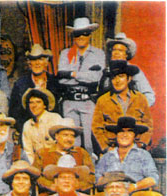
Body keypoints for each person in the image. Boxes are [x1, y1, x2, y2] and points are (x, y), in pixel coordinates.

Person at [95, 116, 163, 196]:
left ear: (135, 135)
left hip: (134, 193)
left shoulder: (143, 155)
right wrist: (111, 184)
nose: (124, 135)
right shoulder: (107, 156)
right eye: (121, 131)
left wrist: (134, 186)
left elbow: (153, 178)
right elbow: (97, 179)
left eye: (129, 131)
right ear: (116, 135)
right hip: (111, 193)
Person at [57, 17, 105, 154]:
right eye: (77, 34)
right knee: (71, 139)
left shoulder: (98, 54)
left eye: (85, 33)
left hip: (87, 100)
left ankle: (91, 170)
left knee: (90, 139)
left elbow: (96, 78)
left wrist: (72, 74)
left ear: (90, 34)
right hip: (69, 100)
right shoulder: (65, 53)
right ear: (73, 36)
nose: (81, 37)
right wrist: (85, 74)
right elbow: (61, 78)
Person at [92, 60, 152, 155]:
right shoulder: (103, 100)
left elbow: (148, 125)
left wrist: (142, 144)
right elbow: (96, 127)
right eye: (113, 77)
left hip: (136, 147)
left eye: (121, 76)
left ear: (129, 78)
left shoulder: (141, 98)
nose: (117, 81)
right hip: (112, 147)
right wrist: (106, 148)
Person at [9, 44, 62, 136]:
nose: (37, 63)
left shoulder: (55, 82)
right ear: (29, 63)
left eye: (40, 59)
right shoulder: (20, 84)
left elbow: (59, 110)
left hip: (52, 132)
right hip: (29, 131)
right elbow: (14, 112)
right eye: (34, 59)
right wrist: (25, 130)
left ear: (46, 62)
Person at [33, 118, 95, 196]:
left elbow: (91, 176)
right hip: (49, 195)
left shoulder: (81, 152)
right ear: (56, 136)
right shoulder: (42, 153)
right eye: (65, 135)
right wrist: (51, 185)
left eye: (72, 136)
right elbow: (35, 176)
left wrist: (78, 185)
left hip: (77, 195)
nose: (69, 139)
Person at [98, 32, 155, 106]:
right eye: (114, 50)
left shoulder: (134, 71)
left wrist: (133, 110)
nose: (116, 53)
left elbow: (150, 97)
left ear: (126, 54)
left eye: (120, 50)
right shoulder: (106, 72)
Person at [21, 87, 62, 163]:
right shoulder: (27, 125)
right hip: (37, 165)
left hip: (56, 162)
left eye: (38, 102)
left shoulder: (55, 118)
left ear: (44, 105)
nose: (34, 105)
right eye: (31, 102)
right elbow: (28, 151)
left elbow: (61, 145)